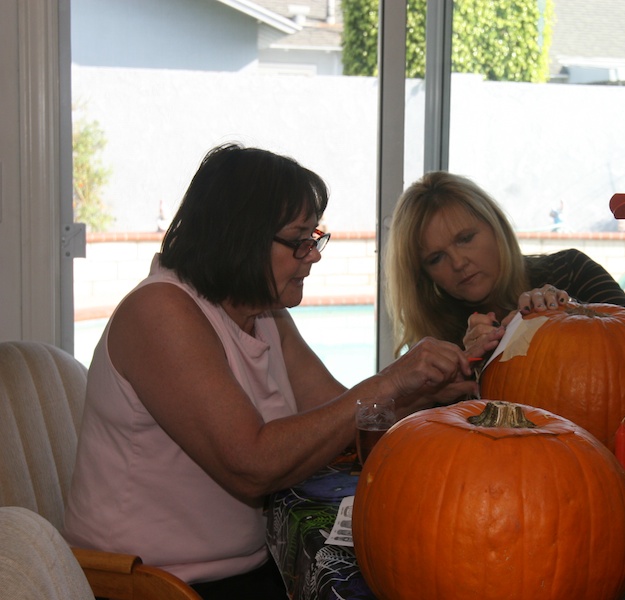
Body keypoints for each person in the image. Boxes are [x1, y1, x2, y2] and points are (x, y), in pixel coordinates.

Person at [63, 144, 477, 599]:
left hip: (242, 570)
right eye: (299, 239)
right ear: (241, 236)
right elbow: (252, 464)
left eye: (314, 236)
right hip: (149, 585)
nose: (313, 255)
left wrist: (426, 391)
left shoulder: (264, 314)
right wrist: (391, 381)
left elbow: (343, 418)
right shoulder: (159, 313)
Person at [385, 171, 625, 358]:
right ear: (424, 275)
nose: (459, 262)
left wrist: (567, 313)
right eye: (436, 258)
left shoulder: (571, 270)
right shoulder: (437, 342)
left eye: (465, 239)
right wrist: (467, 369)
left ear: (496, 227)